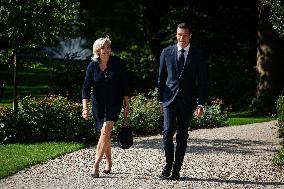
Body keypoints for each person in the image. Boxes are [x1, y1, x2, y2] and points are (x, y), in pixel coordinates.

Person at [157, 22, 207, 180]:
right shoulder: (167, 52)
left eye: (185, 35)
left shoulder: (198, 54)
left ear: (190, 36)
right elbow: (161, 78)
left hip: (188, 101)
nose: (182, 38)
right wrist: (160, 100)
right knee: (167, 132)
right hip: (169, 100)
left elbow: (203, 81)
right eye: (179, 34)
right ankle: (168, 165)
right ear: (176, 35)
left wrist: (200, 103)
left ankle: (176, 170)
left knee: (182, 136)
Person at [82, 36, 129, 178]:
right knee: (105, 134)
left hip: (114, 103)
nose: (107, 50)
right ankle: (109, 162)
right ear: (97, 49)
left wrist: (127, 104)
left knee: (104, 131)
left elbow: (125, 85)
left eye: (108, 47)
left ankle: (95, 165)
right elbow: (85, 88)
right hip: (98, 105)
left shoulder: (117, 63)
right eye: (104, 47)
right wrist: (85, 108)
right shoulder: (92, 66)